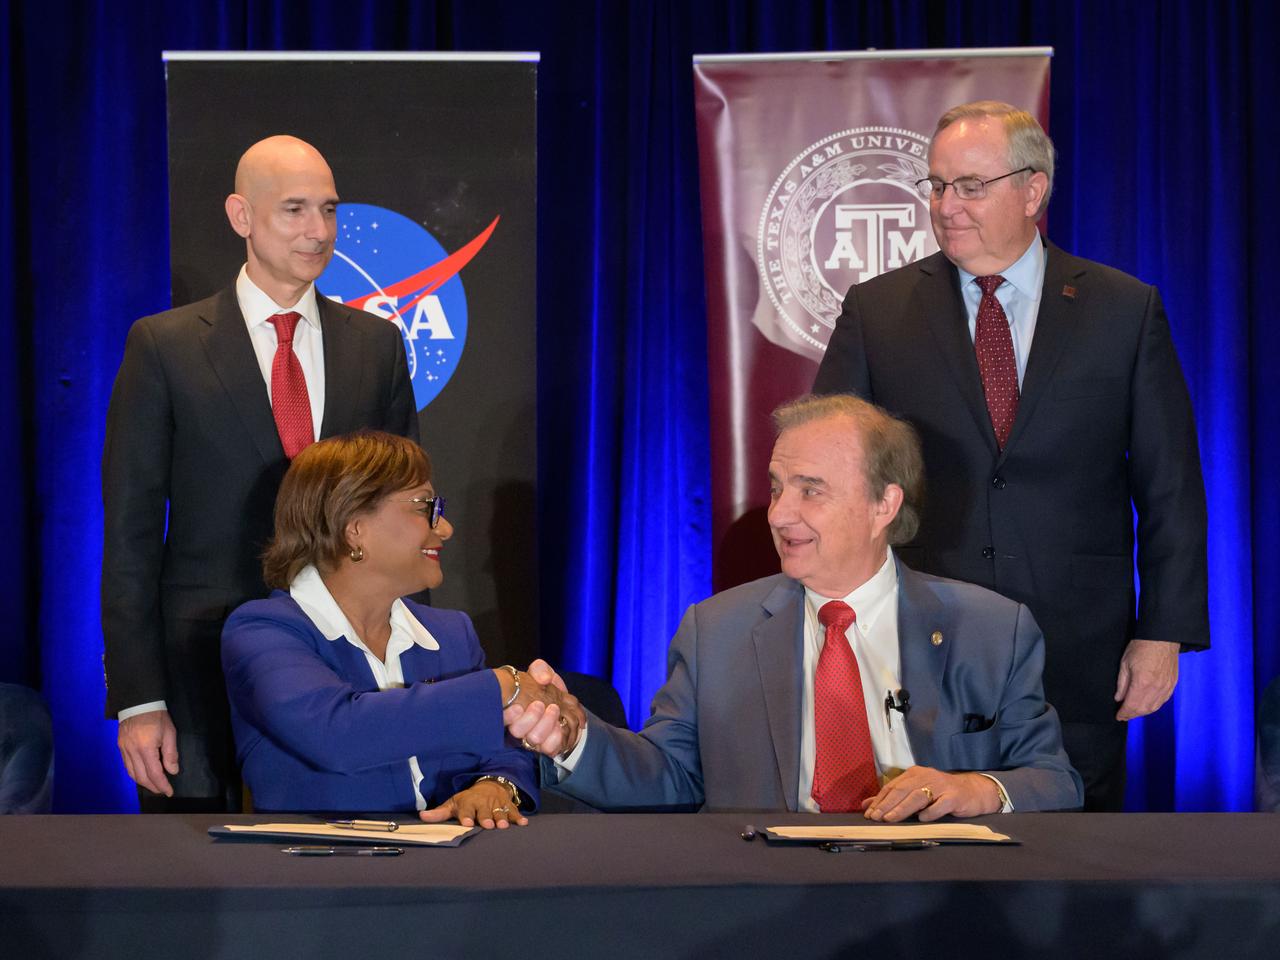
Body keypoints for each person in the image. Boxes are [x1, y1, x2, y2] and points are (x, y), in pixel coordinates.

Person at [813, 101, 1208, 811]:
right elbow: (834, 472)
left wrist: (1164, 633)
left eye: (970, 186)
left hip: (1077, 649)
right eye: (936, 186)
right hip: (919, 646)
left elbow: (1169, 483)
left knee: (1071, 872)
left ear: (1033, 190)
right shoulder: (878, 312)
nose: (945, 206)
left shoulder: (1123, 309)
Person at [511, 395, 1081, 819]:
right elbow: (669, 775)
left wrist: (976, 789)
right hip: (768, 901)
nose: (779, 514)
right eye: (777, 487)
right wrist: (575, 738)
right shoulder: (717, 631)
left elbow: (1056, 782)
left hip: (933, 896)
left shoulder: (989, 628)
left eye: (811, 490)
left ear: (884, 504)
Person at [102, 135, 419, 812]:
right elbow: (129, 535)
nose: (318, 231)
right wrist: (139, 697)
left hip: (345, 664)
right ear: (241, 216)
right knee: (189, 887)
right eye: (295, 210)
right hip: (197, 666)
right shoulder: (164, 347)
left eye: (329, 210)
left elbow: (402, 518)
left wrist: (408, 672)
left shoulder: (377, 346)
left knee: (336, 884)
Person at [221, 431, 581, 825]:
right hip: (320, 873)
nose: (444, 529)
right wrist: (500, 687)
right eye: (425, 507)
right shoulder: (262, 631)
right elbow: (338, 734)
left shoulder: (450, 634)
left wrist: (494, 785)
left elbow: (504, 748)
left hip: (451, 874)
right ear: (353, 526)